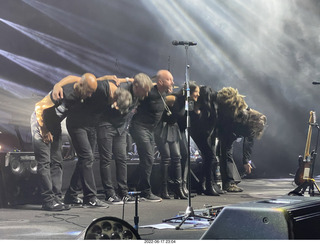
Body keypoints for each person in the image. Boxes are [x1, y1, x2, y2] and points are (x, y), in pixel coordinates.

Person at [54, 76, 132, 208]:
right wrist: (58, 85)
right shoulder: (100, 89)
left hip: (91, 126)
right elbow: (79, 79)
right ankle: (90, 197)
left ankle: (71, 195)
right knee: (87, 157)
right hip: (77, 124)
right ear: (114, 96)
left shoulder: (115, 93)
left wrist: (126, 79)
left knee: (86, 161)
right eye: (115, 104)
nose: (114, 106)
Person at [31, 73, 97, 211]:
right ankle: (47, 200)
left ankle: (56, 197)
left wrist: (58, 83)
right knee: (44, 162)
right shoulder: (64, 93)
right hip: (40, 123)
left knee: (57, 161)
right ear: (82, 86)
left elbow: (73, 77)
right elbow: (39, 107)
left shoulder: (79, 84)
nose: (90, 95)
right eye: (89, 91)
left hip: (54, 125)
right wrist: (44, 130)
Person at [96, 73, 153, 204]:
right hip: (106, 124)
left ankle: (123, 192)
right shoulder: (120, 88)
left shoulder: (139, 90)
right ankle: (109, 193)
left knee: (122, 159)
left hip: (121, 128)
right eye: (144, 91)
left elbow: (137, 80)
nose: (145, 95)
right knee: (106, 159)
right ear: (136, 86)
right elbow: (107, 82)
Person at [129, 69, 174, 202]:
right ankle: (145, 192)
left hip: (150, 130)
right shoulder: (150, 92)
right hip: (139, 127)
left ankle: (135, 186)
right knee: (148, 157)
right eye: (169, 79)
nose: (172, 82)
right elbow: (135, 88)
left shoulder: (163, 93)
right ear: (160, 82)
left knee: (147, 159)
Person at [216, 87, 267, 192]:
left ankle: (228, 182)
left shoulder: (250, 122)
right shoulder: (241, 114)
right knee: (224, 154)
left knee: (225, 154)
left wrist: (246, 161)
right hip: (223, 128)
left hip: (229, 132)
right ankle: (224, 182)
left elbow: (249, 142)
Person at [189, 85, 222, 196]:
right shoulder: (196, 105)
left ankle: (203, 184)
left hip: (203, 133)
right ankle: (208, 185)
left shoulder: (209, 106)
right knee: (210, 156)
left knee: (208, 157)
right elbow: (195, 123)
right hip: (198, 133)